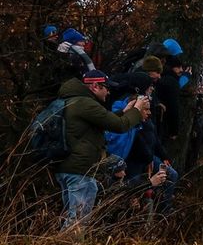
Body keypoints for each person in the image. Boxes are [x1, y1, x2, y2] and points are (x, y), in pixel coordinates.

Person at [55, 70, 150, 229]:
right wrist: (137, 110)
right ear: (94, 86)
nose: (109, 91)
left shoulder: (75, 101)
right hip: (80, 170)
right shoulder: (85, 103)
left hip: (70, 167)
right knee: (77, 221)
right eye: (106, 87)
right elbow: (119, 126)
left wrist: (125, 111)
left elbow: (107, 120)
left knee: (74, 217)